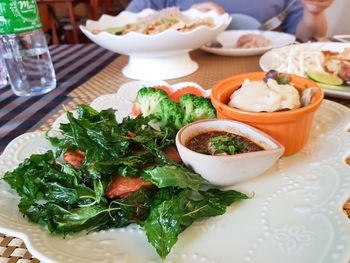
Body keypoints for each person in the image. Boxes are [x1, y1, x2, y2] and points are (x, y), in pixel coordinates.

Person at [125, 0, 335, 42]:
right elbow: (128, 24)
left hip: (258, 73)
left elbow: (307, 38)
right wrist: (187, 17)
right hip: (177, 70)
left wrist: (313, 11)